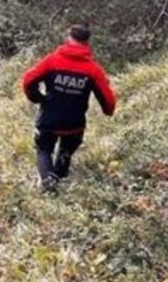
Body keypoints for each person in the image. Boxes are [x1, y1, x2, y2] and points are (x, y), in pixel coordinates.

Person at [20, 24, 117, 191]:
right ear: (87, 43)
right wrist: (108, 110)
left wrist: (37, 97)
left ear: (68, 38)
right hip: (74, 122)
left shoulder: (52, 61)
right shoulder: (93, 69)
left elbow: (29, 79)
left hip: (48, 118)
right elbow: (108, 98)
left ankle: (49, 181)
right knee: (66, 152)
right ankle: (57, 181)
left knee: (43, 150)